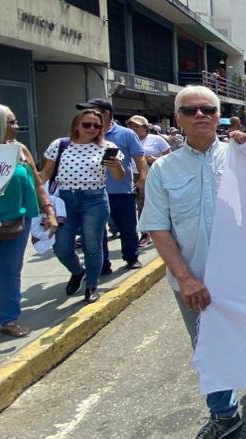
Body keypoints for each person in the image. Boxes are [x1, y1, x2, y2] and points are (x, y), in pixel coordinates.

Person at [141, 86, 246, 439]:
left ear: (219, 116)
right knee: (208, 348)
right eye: (190, 110)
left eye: (207, 109)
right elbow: (158, 227)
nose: (199, 114)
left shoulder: (243, 157)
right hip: (194, 281)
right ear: (178, 119)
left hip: (245, 276)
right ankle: (223, 415)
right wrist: (186, 278)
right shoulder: (164, 170)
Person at [0, 104, 57, 341]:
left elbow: (37, 184)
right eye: (11, 122)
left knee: (9, 273)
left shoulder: (19, 150)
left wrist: (49, 211)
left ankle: (9, 320)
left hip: (17, 223)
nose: (17, 127)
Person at [39, 108, 125, 303]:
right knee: (61, 247)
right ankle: (77, 271)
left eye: (97, 125)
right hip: (65, 200)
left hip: (94, 200)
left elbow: (119, 177)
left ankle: (92, 284)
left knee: (92, 245)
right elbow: (44, 174)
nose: (92, 128)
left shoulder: (107, 147)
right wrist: (38, 198)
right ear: (76, 125)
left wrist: (116, 166)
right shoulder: (60, 145)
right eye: (87, 124)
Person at [76, 99, 147, 273]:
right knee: (96, 232)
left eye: (92, 110)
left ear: (105, 113)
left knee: (127, 226)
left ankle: (131, 257)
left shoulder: (126, 134)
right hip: (94, 192)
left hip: (121, 190)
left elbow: (139, 157)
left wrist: (142, 179)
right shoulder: (86, 134)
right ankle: (102, 264)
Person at [127, 115, 171, 250]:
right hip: (131, 175)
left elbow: (170, 157)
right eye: (130, 126)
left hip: (152, 175)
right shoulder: (127, 140)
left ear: (145, 128)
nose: (133, 129)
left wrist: (155, 159)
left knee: (149, 204)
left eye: (136, 126)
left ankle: (153, 232)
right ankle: (141, 233)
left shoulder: (156, 140)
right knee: (137, 205)